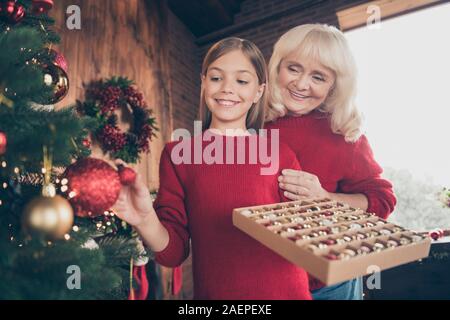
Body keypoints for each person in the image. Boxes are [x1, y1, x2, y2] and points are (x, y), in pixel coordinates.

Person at [112, 37, 312, 300]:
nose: (227, 89)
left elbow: (306, 239)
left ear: (258, 92)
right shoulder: (178, 155)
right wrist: (145, 219)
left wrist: (314, 208)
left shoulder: (281, 154)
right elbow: (173, 254)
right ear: (203, 82)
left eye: (242, 81)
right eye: (217, 78)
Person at [264, 24, 397, 300]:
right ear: (277, 67)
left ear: (334, 85)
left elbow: (382, 200)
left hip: (329, 284)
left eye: (318, 76)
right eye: (294, 68)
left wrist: (324, 197)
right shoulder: (253, 124)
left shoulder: (344, 134)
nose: (302, 84)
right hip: (266, 279)